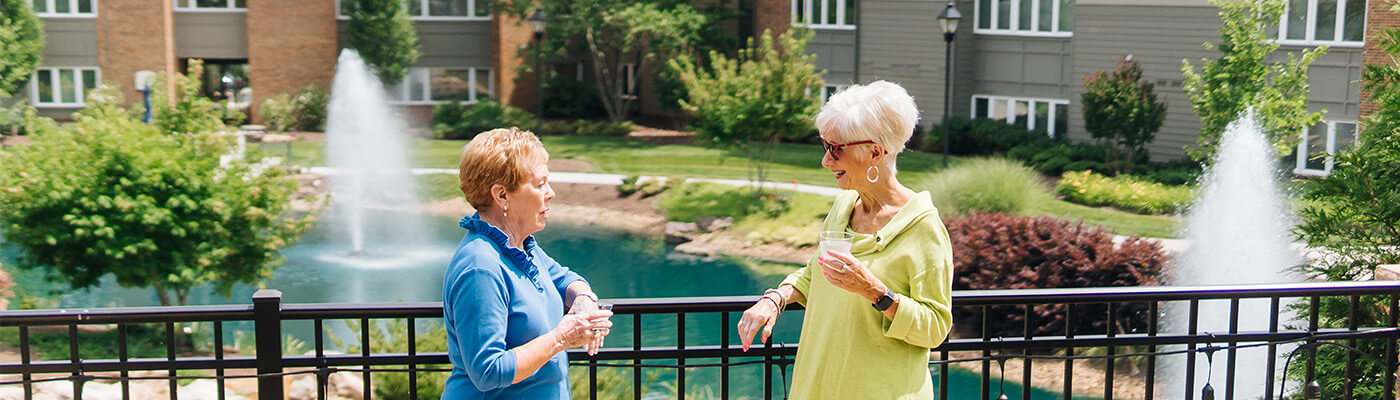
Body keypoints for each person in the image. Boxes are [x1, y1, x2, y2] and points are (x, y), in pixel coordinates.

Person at [736, 81, 955, 399]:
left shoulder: (923, 228)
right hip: (818, 386)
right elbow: (817, 272)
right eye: (825, 145)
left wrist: (875, 291)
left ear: (876, 153)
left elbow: (936, 329)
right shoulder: (843, 207)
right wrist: (775, 299)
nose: (826, 161)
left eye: (836, 149)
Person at [443, 127, 612, 399]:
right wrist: (560, 338)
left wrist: (583, 299)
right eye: (540, 183)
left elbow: (565, 278)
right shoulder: (481, 266)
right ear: (502, 196)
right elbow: (488, 372)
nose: (551, 193)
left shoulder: (520, 247)